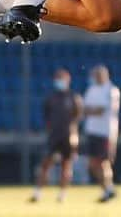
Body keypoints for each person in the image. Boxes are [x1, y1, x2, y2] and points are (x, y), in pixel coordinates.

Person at [30, 68, 83, 203]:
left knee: (66, 165)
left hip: (68, 137)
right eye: (58, 78)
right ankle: (37, 193)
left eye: (62, 78)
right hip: (54, 136)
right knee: (46, 164)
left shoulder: (73, 98)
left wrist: (74, 136)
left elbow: (77, 118)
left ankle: (62, 194)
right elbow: (46, 117)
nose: (59, 81)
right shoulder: (50, 98)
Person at [84, 64, 120, 202]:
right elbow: (84, 109)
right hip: (92, 131)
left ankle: (108, 190)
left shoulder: (111, 90)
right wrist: (92, 110)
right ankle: (108, 189)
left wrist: (90, 110)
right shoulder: (91, 89)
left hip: (105, 132)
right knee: (94, 164)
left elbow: (101, 110)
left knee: (102, 162)